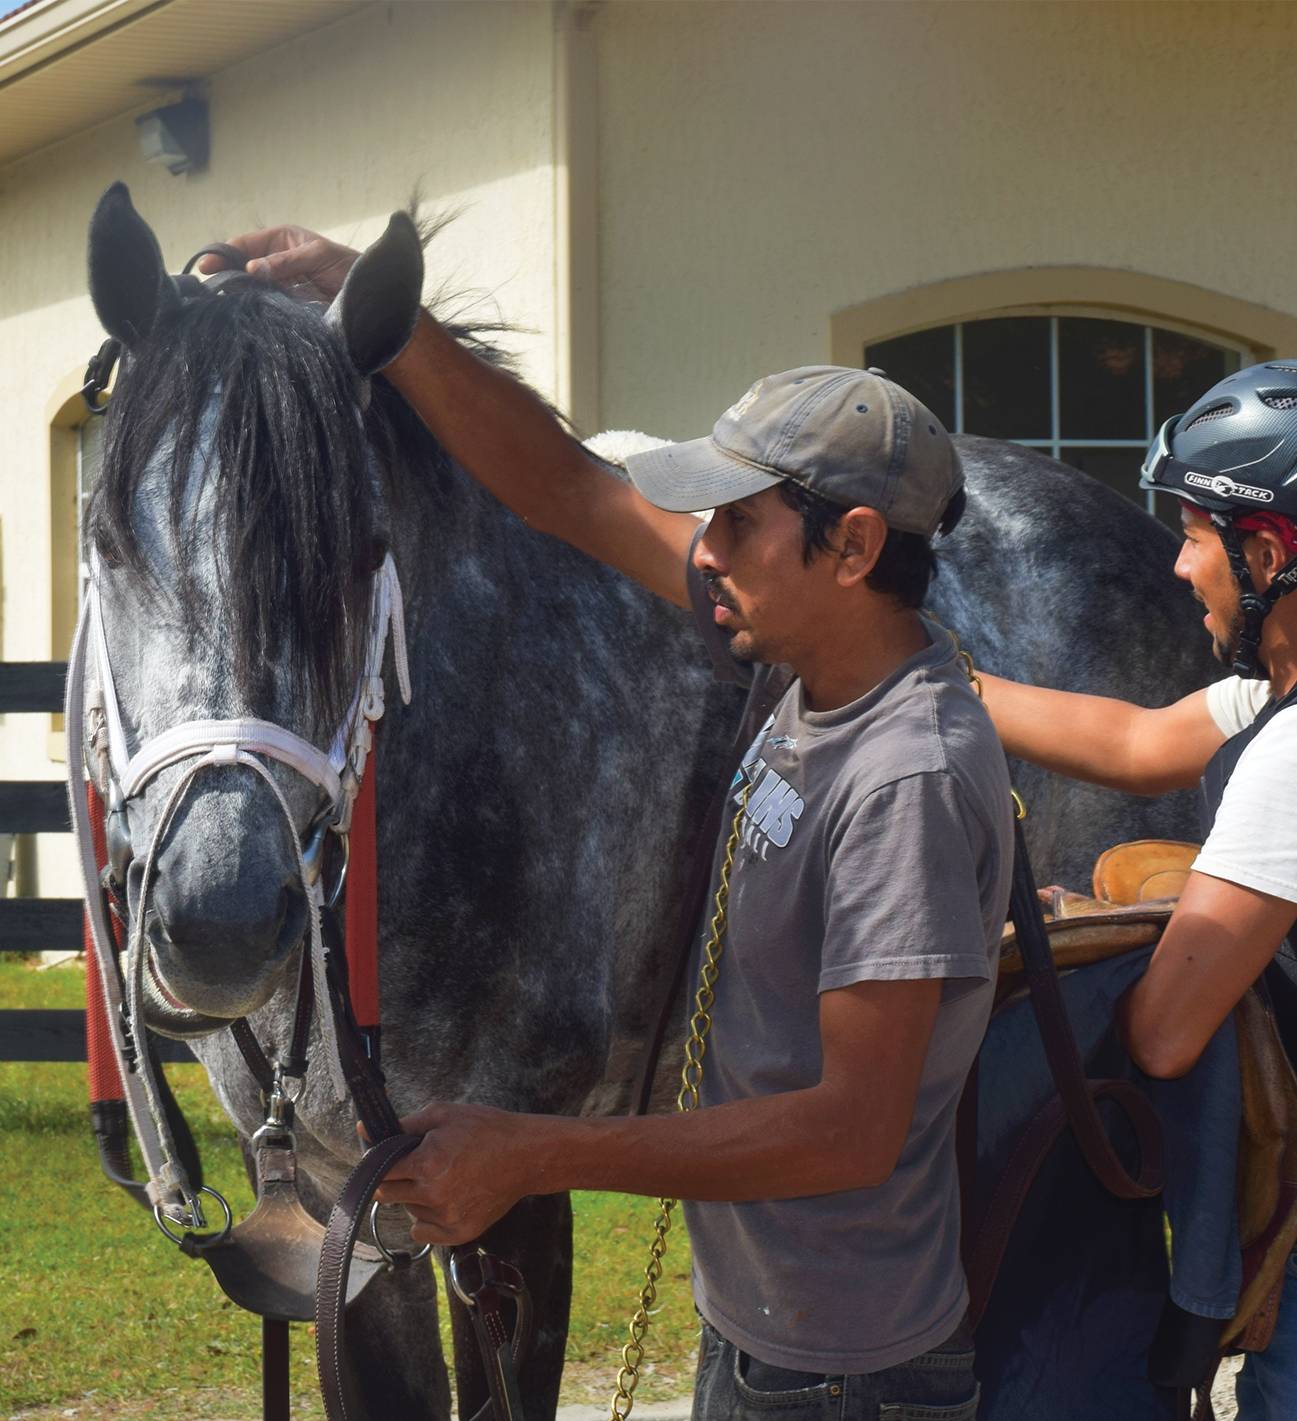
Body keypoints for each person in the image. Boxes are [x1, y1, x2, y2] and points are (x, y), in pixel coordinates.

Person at [202, 230, 1013, 1419]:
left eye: (736, 522)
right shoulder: (803, 664)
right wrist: (379, 311)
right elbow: (568, 488)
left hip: (849, 1373)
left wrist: (535, 1153)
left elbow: (849, 1130)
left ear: (850, 547)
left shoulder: (905, 777)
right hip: (764, 1332)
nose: (705, 549)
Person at [970, 362, 1297, 1420]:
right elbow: (1139, 739)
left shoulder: (1293, 755)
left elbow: (1161, 1033)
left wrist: (1095, 941)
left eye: (1196, 535)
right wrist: (936, 677)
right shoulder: (1270, 690)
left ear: (1265, 555)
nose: (1178, 562)